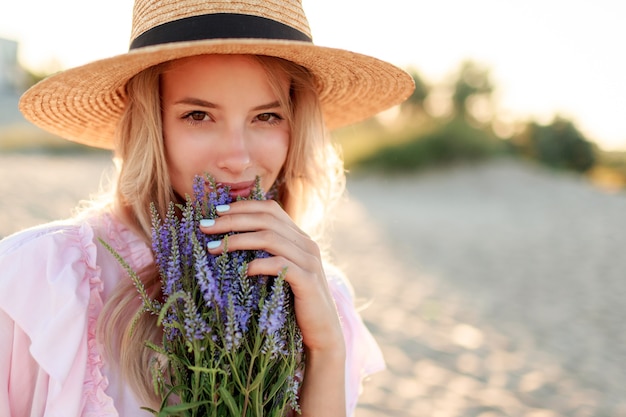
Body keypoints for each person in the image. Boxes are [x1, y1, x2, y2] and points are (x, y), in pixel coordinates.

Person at [0, 0, 414, 416]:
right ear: (151, 124)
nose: (236, 157)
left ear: (296, 126)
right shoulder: (38, 285)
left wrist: (325, 349)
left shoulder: (324, 296)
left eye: (267, 116)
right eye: (198, 115)